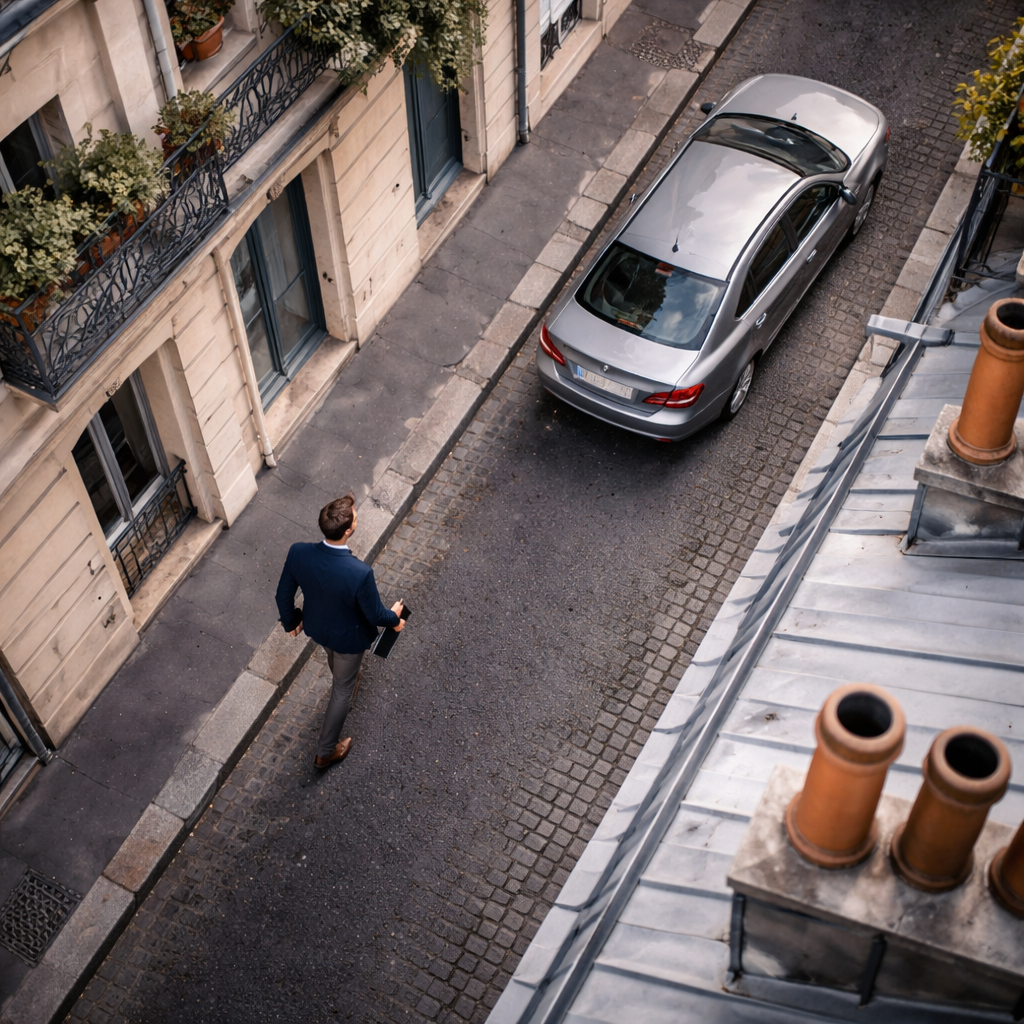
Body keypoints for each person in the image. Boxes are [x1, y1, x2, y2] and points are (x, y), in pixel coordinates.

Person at [275, 495, 404, 769]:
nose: (357, 518)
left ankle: (346, 676)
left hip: (318, 628)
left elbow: (282, 595)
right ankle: (325, 752)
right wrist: (395, 618)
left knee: (336, 662)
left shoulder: (298, 552)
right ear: (348, 530)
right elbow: (375, 615)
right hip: (348, 638)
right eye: (355, 517)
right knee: (342, 690)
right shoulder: (359, 572)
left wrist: (292, 621)